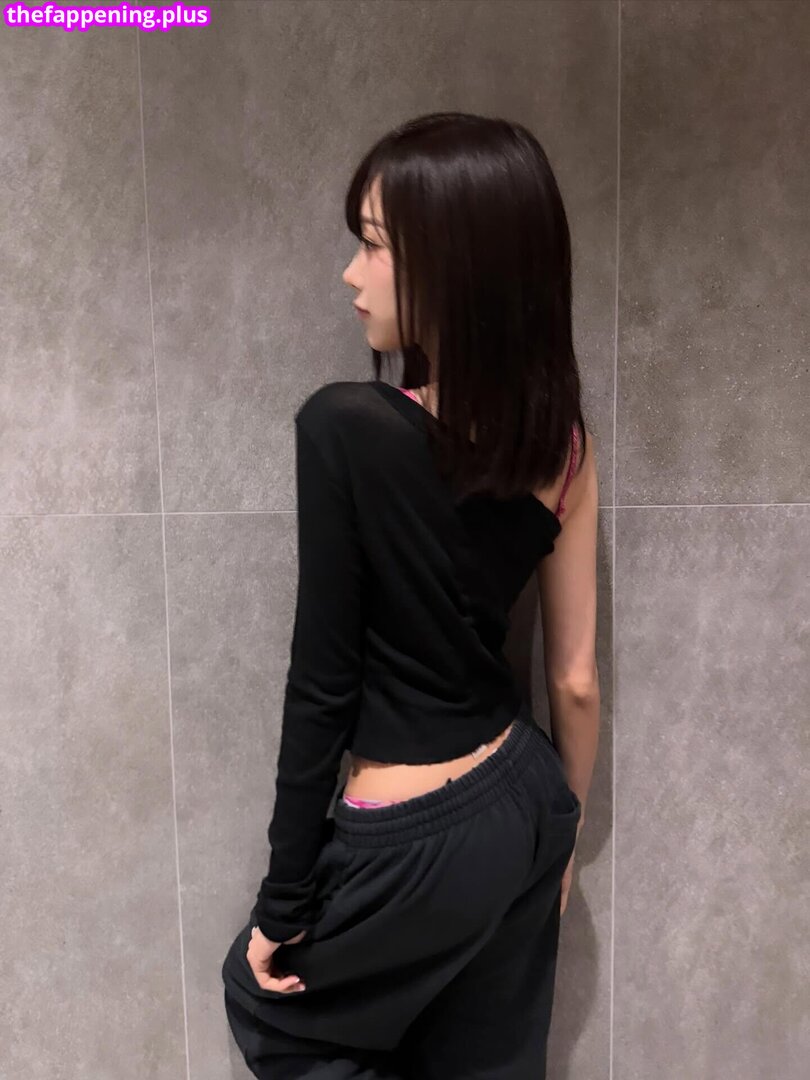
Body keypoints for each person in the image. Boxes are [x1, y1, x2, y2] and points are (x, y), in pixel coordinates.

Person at [221, 111, 601, 1079]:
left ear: (457, 262)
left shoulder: (343, 428)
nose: (351, 274)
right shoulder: (564, 447)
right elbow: (575, 681)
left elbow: (322, 685)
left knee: (267, 1010)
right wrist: (562, 837)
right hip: (522, 797)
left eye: (374, 245)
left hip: (410, 831)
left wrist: (282, 902)